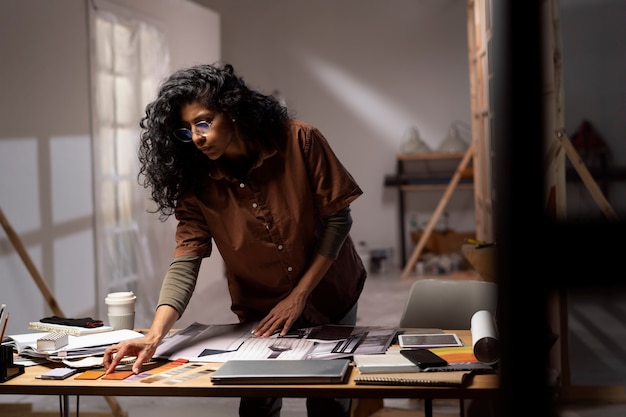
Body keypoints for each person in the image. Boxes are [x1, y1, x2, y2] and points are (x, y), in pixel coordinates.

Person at [103, 62, 367, 417]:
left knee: (328, 399)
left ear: (233, 111)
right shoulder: (195, 180)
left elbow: (338, 219)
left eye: (203, 122)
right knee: (257, 400)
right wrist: (154, 335)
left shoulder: (300, 139)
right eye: (186, 131)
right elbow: (187, 258)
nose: (196, 138)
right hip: (260, 304)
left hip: (331, 290)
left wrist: (298, 296)